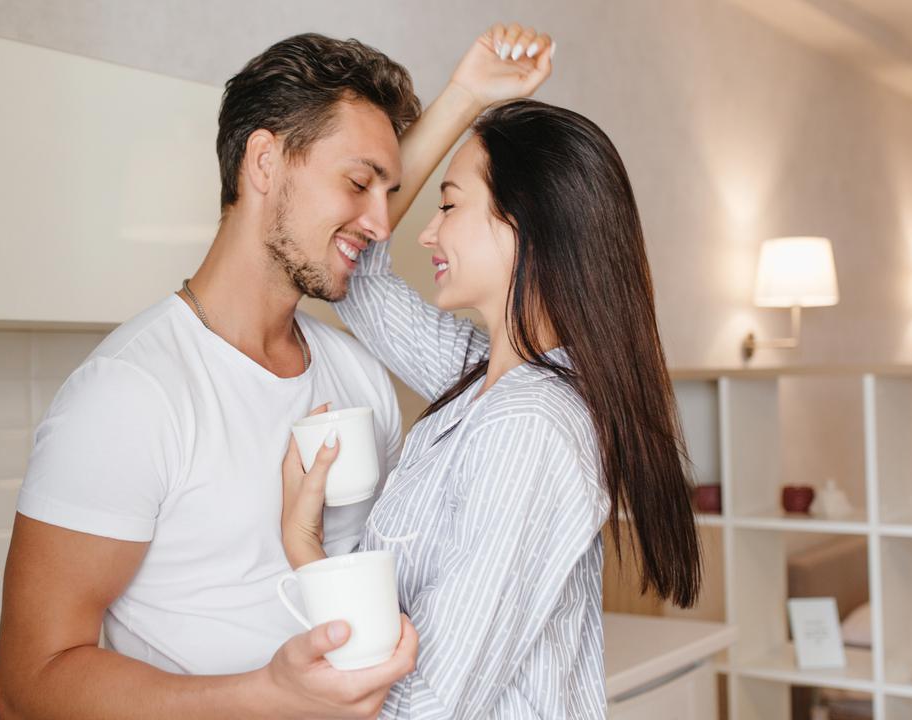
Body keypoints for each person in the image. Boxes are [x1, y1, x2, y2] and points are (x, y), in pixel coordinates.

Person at [0, 24, 554, 720]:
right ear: (264, 161)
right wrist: (267, 696)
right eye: (358, 182)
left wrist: (466, 93)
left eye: (387, 191)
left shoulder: (358, 378)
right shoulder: (129, 395)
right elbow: (26, 687)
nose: (382, 223)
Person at [279, 99, 703, 717]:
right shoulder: (486, 376)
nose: (427, 231)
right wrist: (465, 94)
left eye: (449, 206)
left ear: (523, 223)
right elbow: (360, 273)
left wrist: (305, 547)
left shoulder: (528, 426)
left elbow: (427, 707)